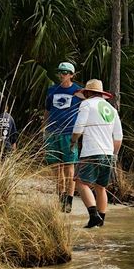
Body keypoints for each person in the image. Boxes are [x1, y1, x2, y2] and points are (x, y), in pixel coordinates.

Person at [71, 79, 123, 228]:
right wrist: (114, 154)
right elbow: (118, 137)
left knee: (81, 183)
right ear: (101, 94)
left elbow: (79, 127)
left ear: (87, 93)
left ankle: (93, 215)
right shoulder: (112, 110)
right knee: (101, 187)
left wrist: (73, 141)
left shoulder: (86, 104)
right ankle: (101, 221)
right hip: (108, 153)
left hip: (91, 151)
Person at [44, 62, 82, 212]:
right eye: (60, 72)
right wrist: (44, 128)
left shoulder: (78, 91)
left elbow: (85, 109)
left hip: (69, 133)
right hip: (53, 132)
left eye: (65, 72)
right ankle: (61, 197)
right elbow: (47, 110)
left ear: (72, 75)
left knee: (69, 166)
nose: (62, 75)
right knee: (56, 167)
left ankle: (69, 200)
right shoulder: (52, 90)